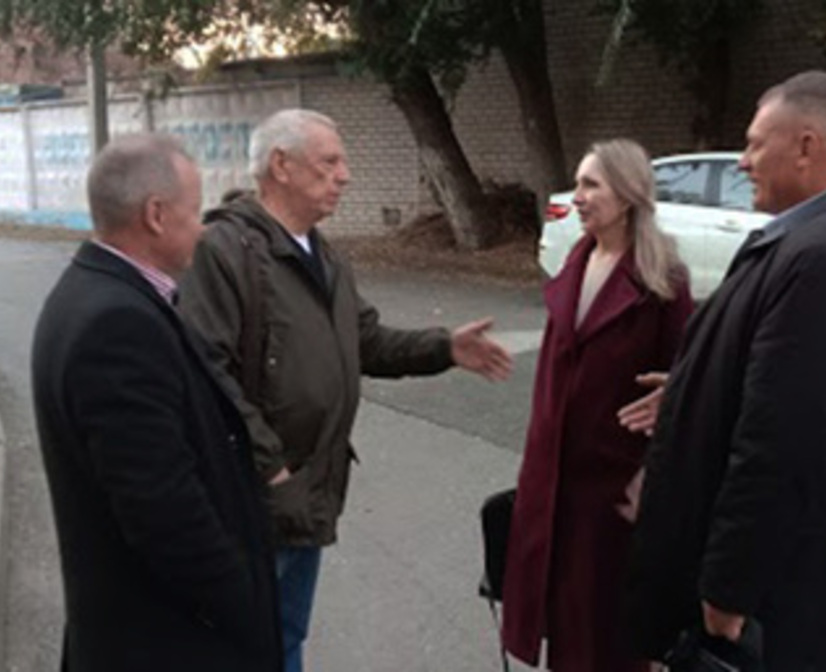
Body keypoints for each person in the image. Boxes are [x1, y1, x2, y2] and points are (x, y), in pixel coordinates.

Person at [177, 108, 513, 671]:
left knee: (284, 635)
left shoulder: (322, 254)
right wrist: (270, 468)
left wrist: (444, 348)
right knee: (240, 644)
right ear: (281, 166)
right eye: (330, 161)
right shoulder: (225, 250)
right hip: (256, 496)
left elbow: (366, 340)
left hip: (310, 487)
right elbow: (205, 373)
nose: (345, 175)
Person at [622, 70, 826, 671]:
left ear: (806, 146)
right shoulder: (823, 238)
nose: (743, 161)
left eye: (754, 144)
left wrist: (729, 589)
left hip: (781, 611)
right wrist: (695, 391)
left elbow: (784, 445)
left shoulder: (824, 257)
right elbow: (782, 382)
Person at [30, 133, 281, 672]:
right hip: (167, 644)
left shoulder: (99, 294)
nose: (204, 227)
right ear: (156, 214)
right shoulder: (116, 323)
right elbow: (163, 511)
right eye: (195, 212)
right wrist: (244, 606)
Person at [502, 139, 694, 672]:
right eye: (578, 183)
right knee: (564, 630)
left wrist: (649, 480)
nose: (578, 196)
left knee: (612, 641)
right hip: (552, 485)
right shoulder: (575, 261)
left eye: (591, 184)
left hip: (615, 495)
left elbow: (684, 392)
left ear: (628, 193)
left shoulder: (663, 281)